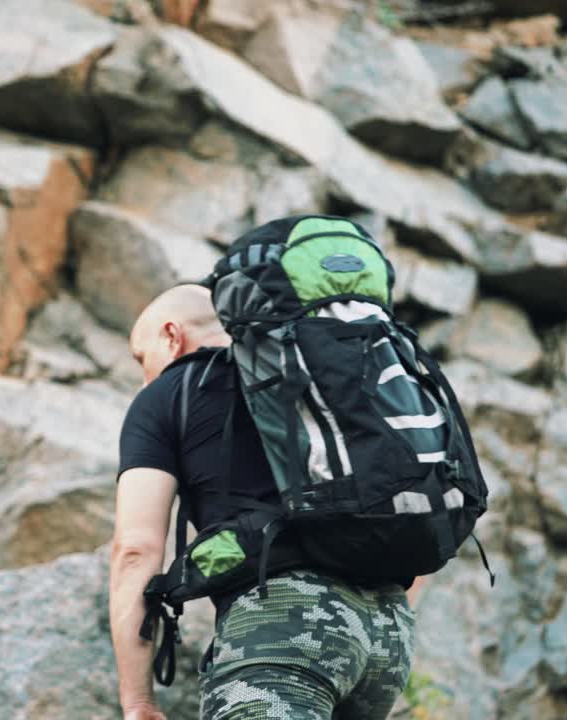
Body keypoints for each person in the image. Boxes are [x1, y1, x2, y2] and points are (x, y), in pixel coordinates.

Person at [109, 284, 421, 720]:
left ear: (171, 335)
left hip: (282, 625)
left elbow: (135, 550)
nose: (145, 378)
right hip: (389, 634)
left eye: (143, 359)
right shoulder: (324, 379)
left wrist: (138, 701)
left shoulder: (167, 394)